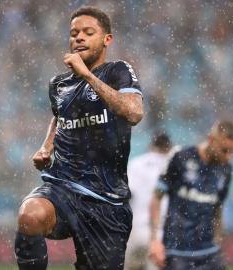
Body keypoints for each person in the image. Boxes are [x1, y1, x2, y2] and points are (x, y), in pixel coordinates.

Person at [14, 6, 144, 270]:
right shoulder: (59, 84)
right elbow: (58, 115)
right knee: (31, 215)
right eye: (74, 33)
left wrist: (86, 75)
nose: (79, 38)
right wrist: (46, 147)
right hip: (63, 186)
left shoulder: (118, 71)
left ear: (107, 39)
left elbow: (133, 112)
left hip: (107, 200)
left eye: (88, 32)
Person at [149, 120, 233, 270]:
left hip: (209, 251)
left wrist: (218, 241)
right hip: (178, 251)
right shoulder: (180, 158)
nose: (228, 157)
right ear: (211, 140)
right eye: (224, 150)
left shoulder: (226, 171)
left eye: (232, 152)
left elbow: (218, 207)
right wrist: (155, 241)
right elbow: (156, 199)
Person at [125, 132, 173, 270]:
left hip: (136, 229)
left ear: (151, 145)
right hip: (161, 233)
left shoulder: (136, 164)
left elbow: (127, 195)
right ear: (169, 147)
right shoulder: (173, 166)